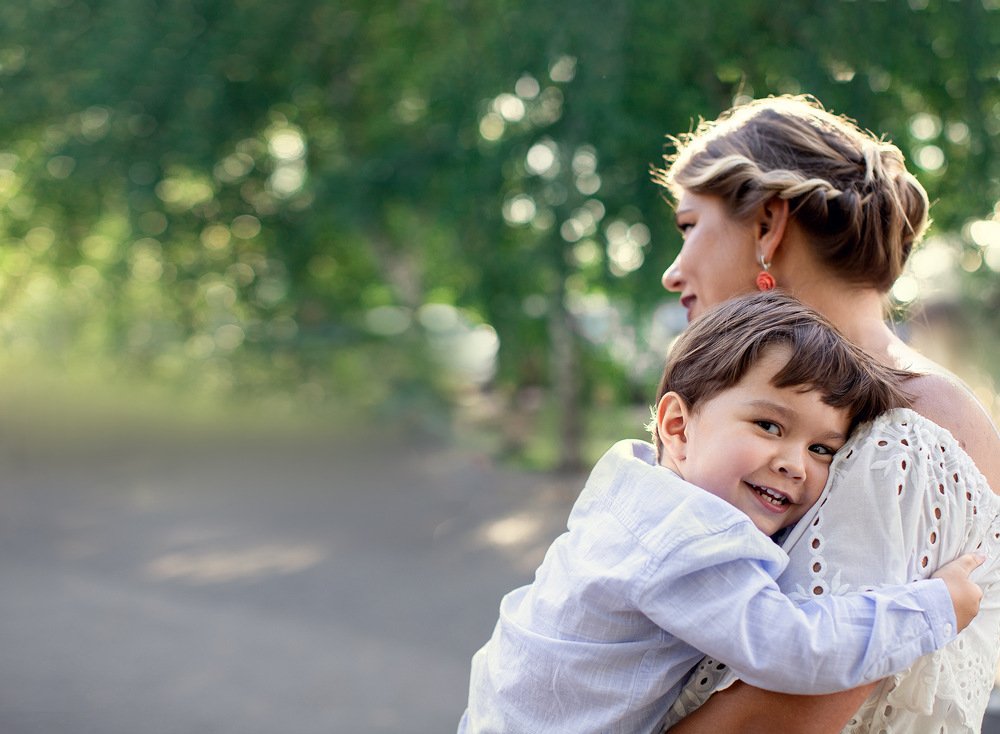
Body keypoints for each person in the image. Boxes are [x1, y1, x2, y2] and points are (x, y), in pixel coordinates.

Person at [458, 292, 985, 734]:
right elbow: (793, 647)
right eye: (770, 426)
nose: (795, 464)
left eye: (823, 449)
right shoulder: (682, 538)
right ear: (678, 427)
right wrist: (933, 608)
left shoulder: (638, 499)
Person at [652, 95, 1000, 733]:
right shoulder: (804, 407)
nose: (674, 273)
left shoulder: (913, 430)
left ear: (767, 226)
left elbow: (773, 720)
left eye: (688, 225)